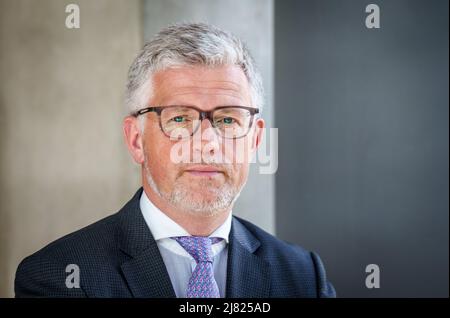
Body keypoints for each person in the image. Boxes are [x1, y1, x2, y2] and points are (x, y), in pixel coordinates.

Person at [15, 23, 335, 298]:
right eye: (180, 119)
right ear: (136, 140)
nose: (207, 142)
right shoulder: (61, 276)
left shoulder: (303, 277)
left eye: (227, 120)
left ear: (254, 140)